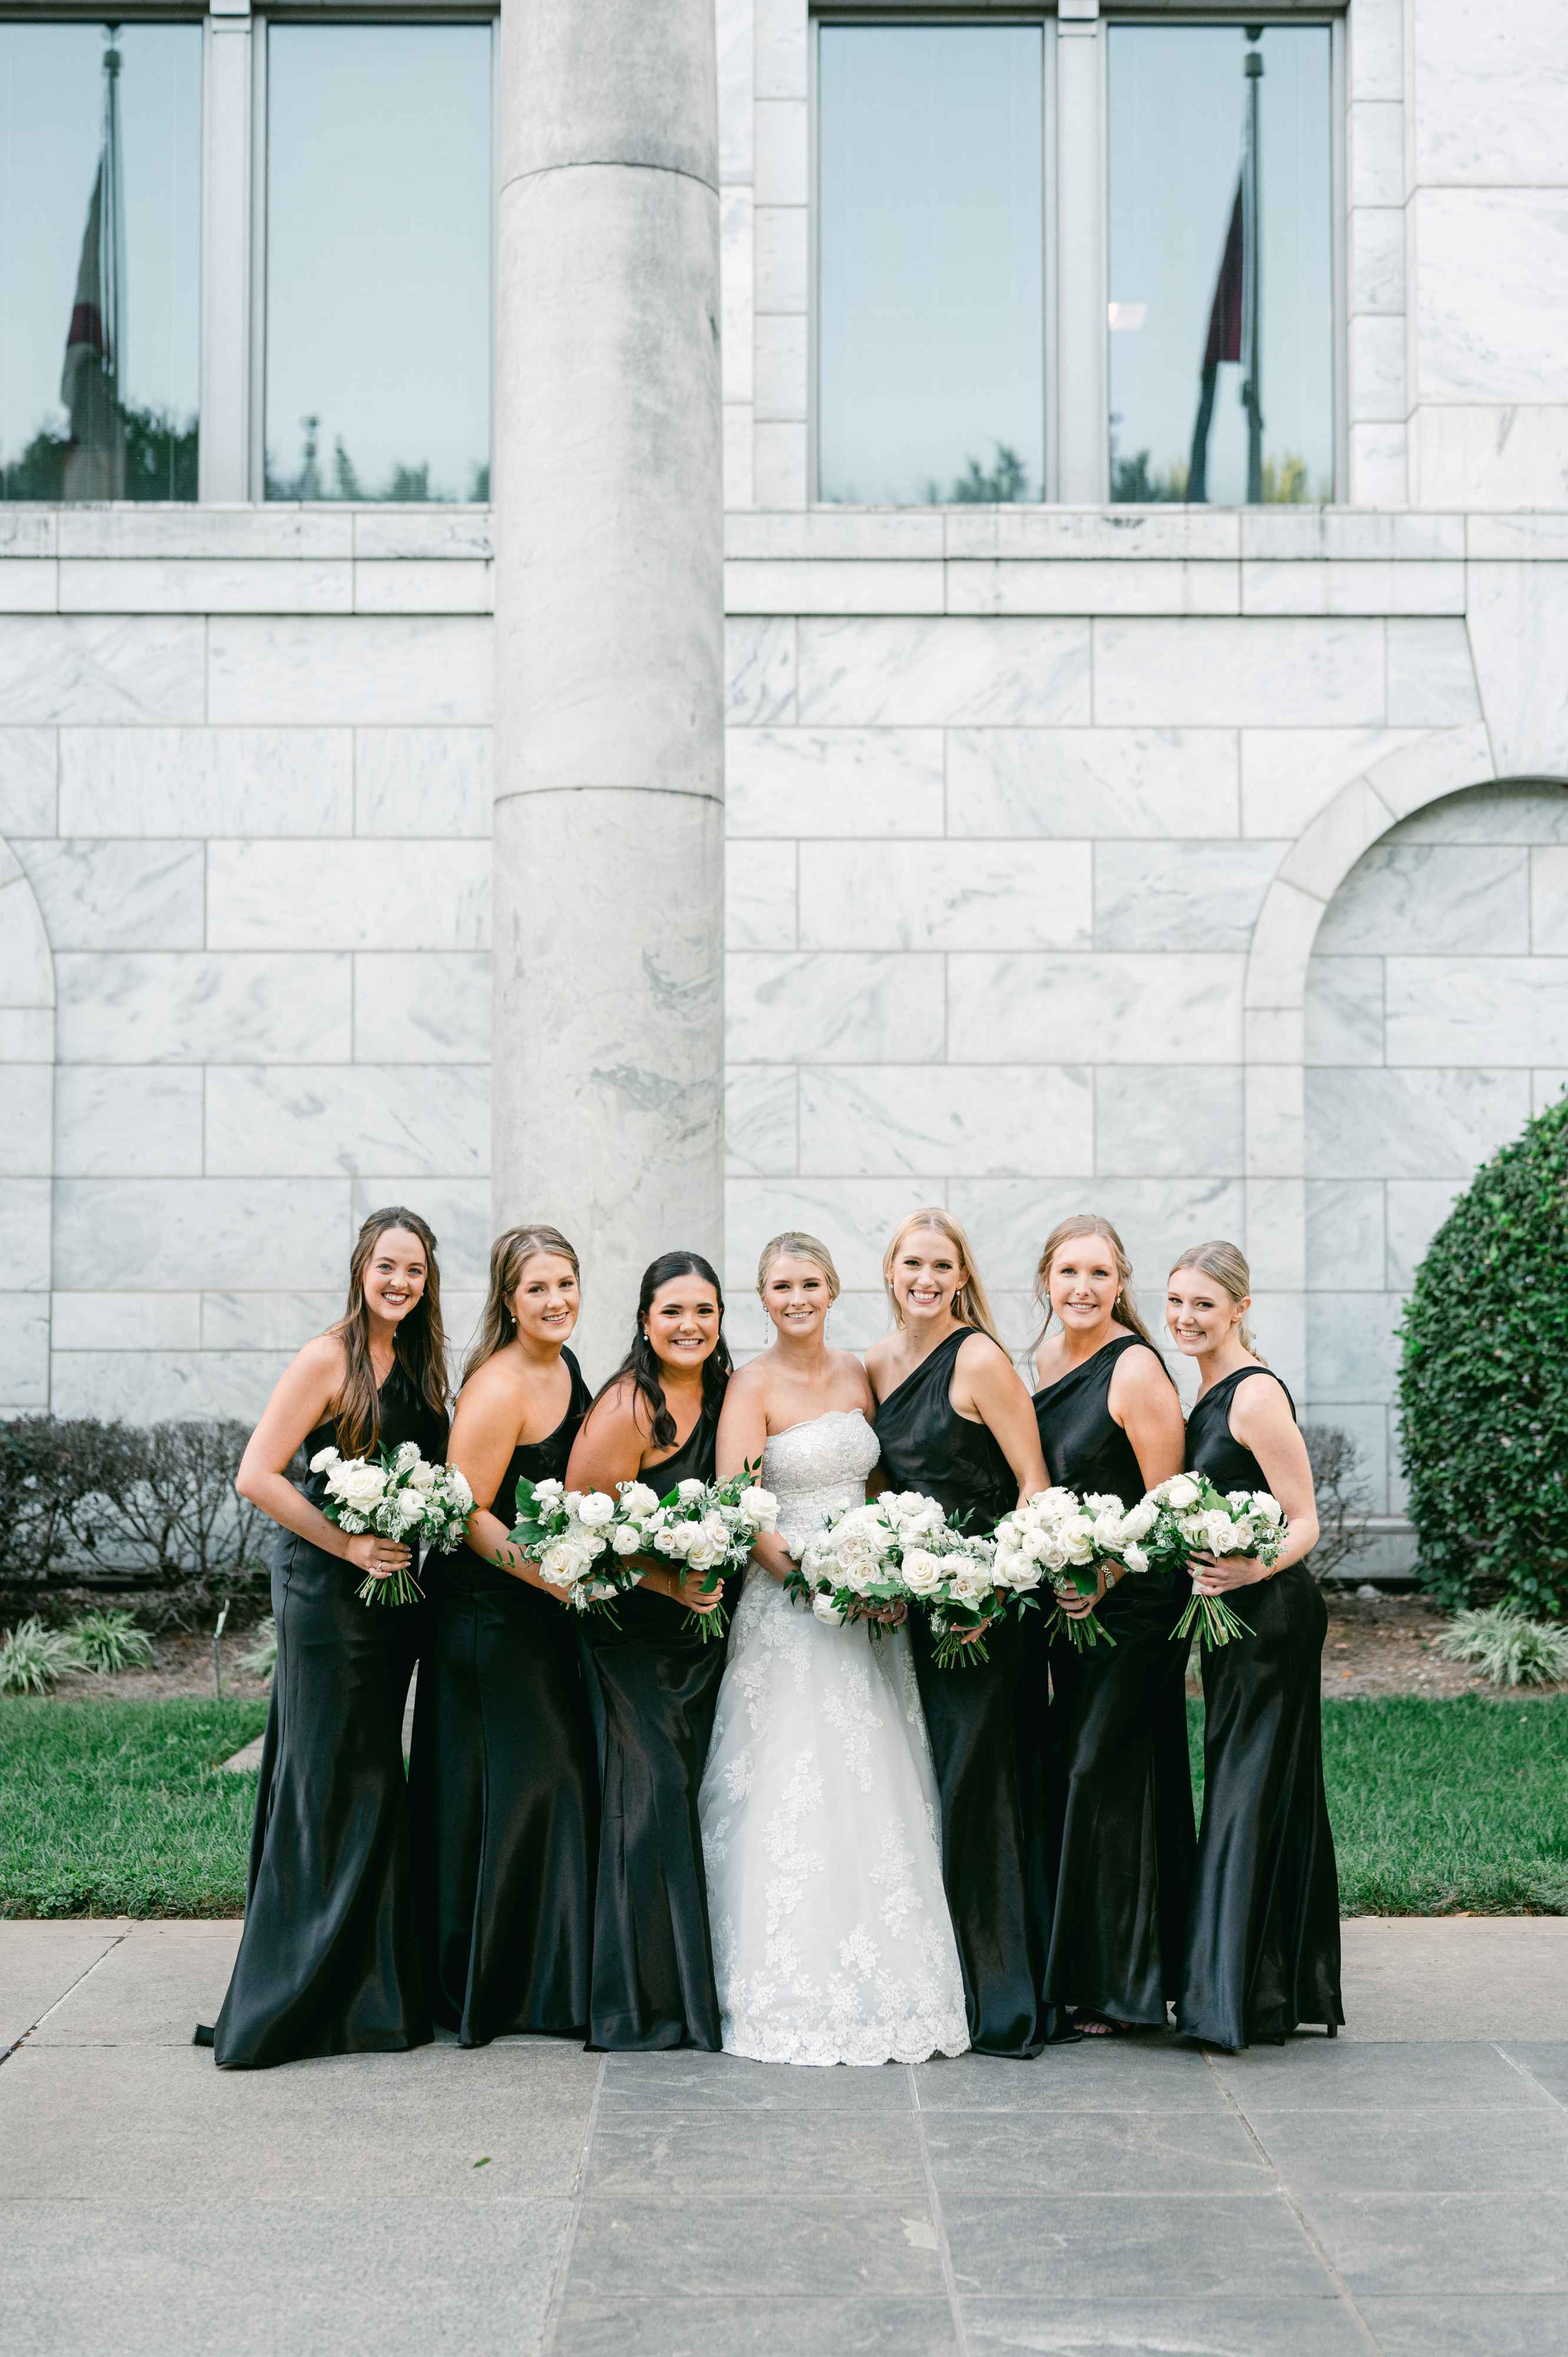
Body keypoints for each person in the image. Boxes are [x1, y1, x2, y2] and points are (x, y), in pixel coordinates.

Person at [698, 1231, 969, 2066]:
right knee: (794, 1780)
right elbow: (741, 1509)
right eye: (780, 1285)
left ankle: (894, 1976)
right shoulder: (751, 1384)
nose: (797, 1298)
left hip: (868, 1610)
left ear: (833, 1288)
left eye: (809, 1282)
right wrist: (815, 1584)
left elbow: (878, 1482)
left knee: (875, 1779)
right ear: (763, 1295)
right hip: (790, 1607)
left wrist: (887, 1564)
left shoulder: (857, 1372)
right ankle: (785, 1983)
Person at [201, 1207, 447, 2068]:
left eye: (414, 1271)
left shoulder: (418, 1363)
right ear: (361, 1267)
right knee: (324, 1778)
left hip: (396, 1606)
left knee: (374, 1778)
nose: (399, 1283)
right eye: (387, 1266)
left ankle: (367, 1993)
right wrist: (346, 1543)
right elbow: (256, 1474)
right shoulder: (328, 1357)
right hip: (328, 1600)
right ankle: (292, 1996)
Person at [867, 1207, 1059, 2058]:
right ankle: (945, 1980)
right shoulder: (874, 1363)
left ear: (961, 1277)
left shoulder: (978, 1357)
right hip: (913, 1607)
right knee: (933, 1789)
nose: (925, 1279)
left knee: (982, 1791)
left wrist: (988, 1584)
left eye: (941, 1266)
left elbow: (1033, 1485)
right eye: (913, 1263)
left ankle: (1007, 1999)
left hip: (985, 1614)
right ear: (890, 1270)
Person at [408, 1224, 597, 2046]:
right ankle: (489, 1985)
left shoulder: (567, 1367)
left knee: (546, 1787)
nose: (555, 1302)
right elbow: (464, 1514)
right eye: (537, 1290)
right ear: (508, 1302)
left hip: (539, 1614)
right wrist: (552, 1576)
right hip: (485, 1620)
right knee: (521, 1788)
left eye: (565, 1285)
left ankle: (535, 1978)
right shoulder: (499, 1385)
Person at [1167, 1240, 1343, 2049]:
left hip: (1272, 1616)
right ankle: (1265, 1986)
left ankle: (1225, 1998)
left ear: (1239, 1307)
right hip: (1235, 1618)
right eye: (1176, 1302)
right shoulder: (1203, 1387)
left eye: (1204, 1303)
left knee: (1244, 1787)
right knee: (1254, 1782)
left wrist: (1249, 1568)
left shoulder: (1253, 1395)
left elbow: (1305, 1519)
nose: (1186, 1317)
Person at [566, 1252, 732, 2051]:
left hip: (708, 1642)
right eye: (673, 1311)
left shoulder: (729, 1397)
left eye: (703, 1310)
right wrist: (669, 1585)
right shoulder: (629, 1407)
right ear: (644, 1321)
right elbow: (583, 1533)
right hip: (632, 1635)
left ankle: (696, 1990)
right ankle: (640, 2003)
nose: (689, 1325)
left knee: (699, 1801)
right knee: (653, 1799)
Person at [1031, 1214, 1192, 2036]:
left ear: (1121, 1281)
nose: (1082, 1289)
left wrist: (1104, 1573)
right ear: (1045, 1282)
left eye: (1098, 1274)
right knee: (1077, 1767)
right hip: (1068, 1605)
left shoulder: (1133, 1370)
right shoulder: (1042, 1362)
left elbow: (1170, 1508)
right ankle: (1105, 1967)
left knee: (1104, 1769)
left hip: (1135, 1605)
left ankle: (1120, 1988)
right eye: (1068, 1273)